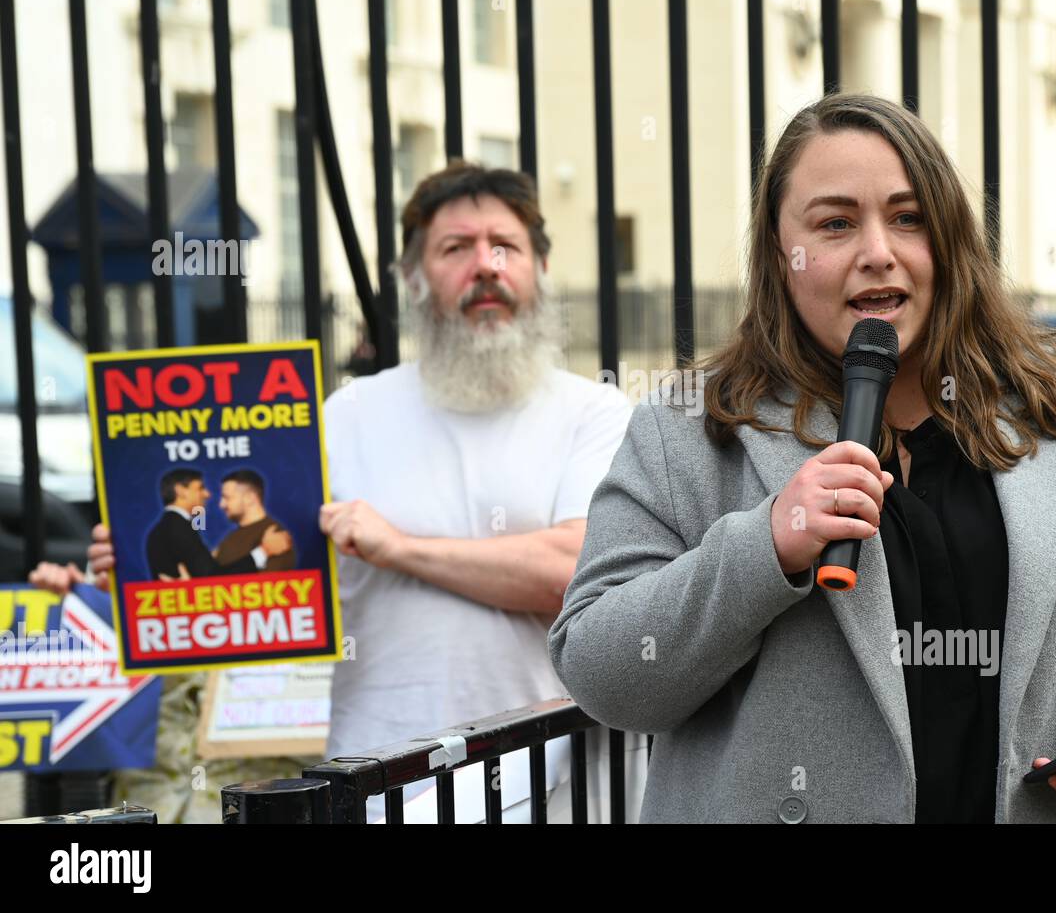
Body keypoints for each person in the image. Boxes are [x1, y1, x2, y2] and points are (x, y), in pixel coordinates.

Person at [549, 92, 1056, 824]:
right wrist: (767, 547)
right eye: (836, 223)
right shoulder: (692, 425)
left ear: (949, 240)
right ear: (781, 254)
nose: (877, 250)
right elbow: (603, 671)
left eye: (908, 219)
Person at [37, 161, 636, 823]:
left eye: (506, 246)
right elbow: (262, 592)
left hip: (546, 774)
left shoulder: (595, 412)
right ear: (413, 277)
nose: (485, 265)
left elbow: (576, 571)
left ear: (540, 270)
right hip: (376, 782)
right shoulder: (343, 417)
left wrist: (397, 547)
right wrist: (141, 578)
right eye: (456, 248)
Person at [144, 469, 290, 579]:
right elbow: (211, 577)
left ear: (250, 498)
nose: (207, 494)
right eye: (200, 488)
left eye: (227, 497)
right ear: (181, 491)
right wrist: (263, 552)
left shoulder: (171, 527)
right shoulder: (179, 529)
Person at [213, 470, 296, 572]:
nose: (221, 504)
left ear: (249, 498)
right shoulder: (228, 540)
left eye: (227, 497)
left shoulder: (275, 536)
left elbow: (269, 585)